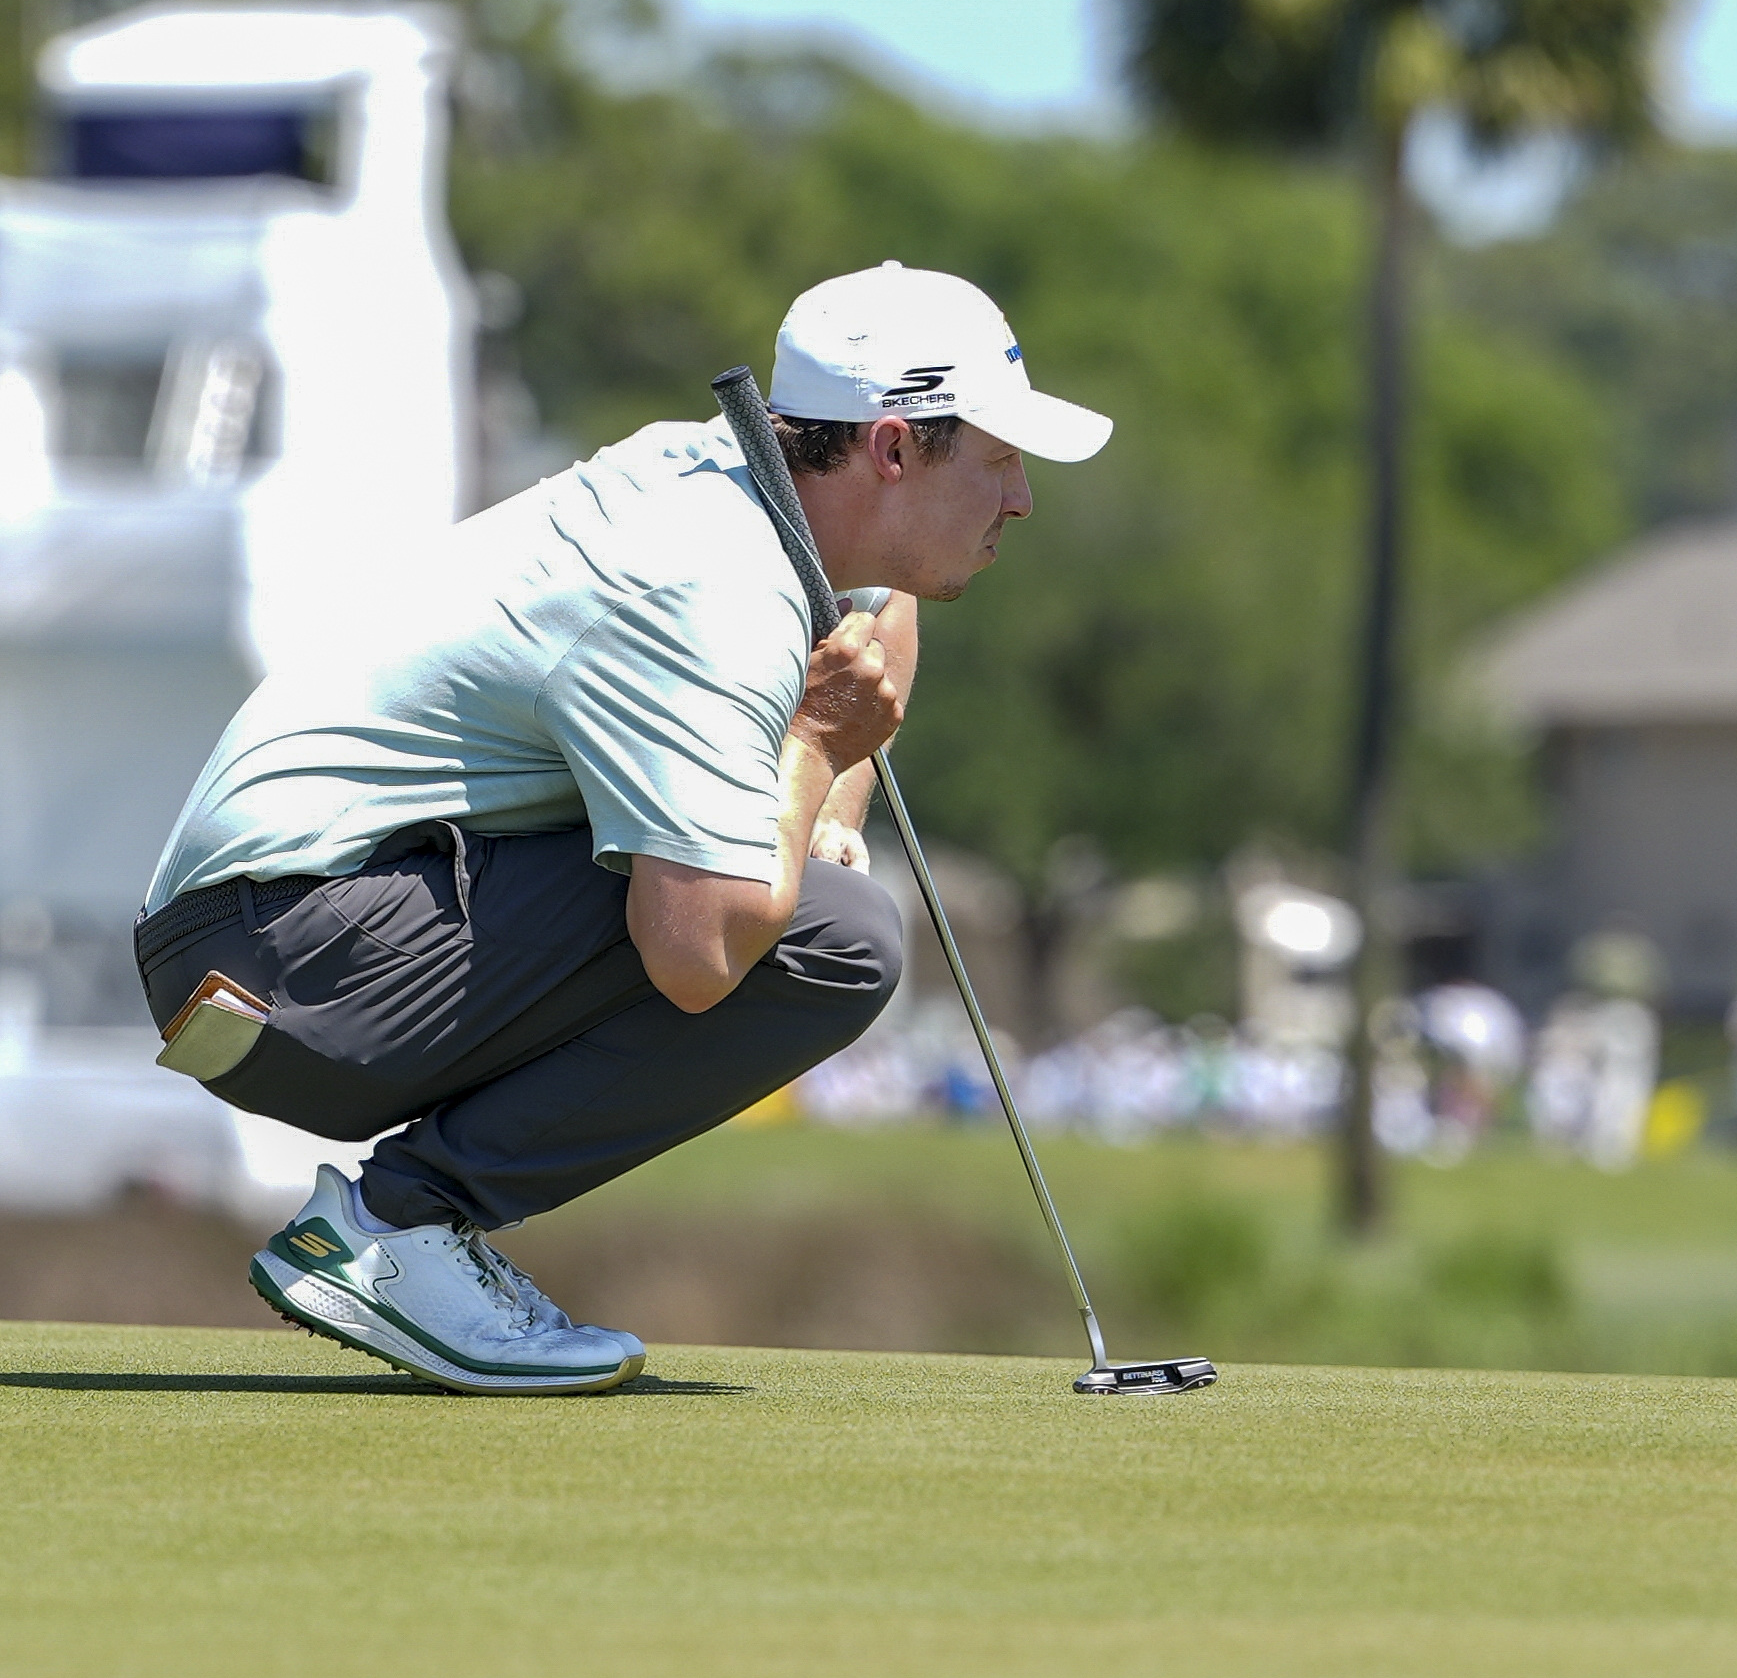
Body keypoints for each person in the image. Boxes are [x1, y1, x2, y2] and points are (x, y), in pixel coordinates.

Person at [130, 264, 1111, 1394]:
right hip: (281, 961)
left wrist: (824, 814)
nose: (1023, 498)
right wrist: (809, 757)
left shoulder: (731, 484)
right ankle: (396, 1234)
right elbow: (697, 956)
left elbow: (880, 614)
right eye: (998, 460)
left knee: (807, 896)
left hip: (284, 939)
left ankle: (403, 1228)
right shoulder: (712, 585)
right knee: (836, 941)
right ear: (892, 450)